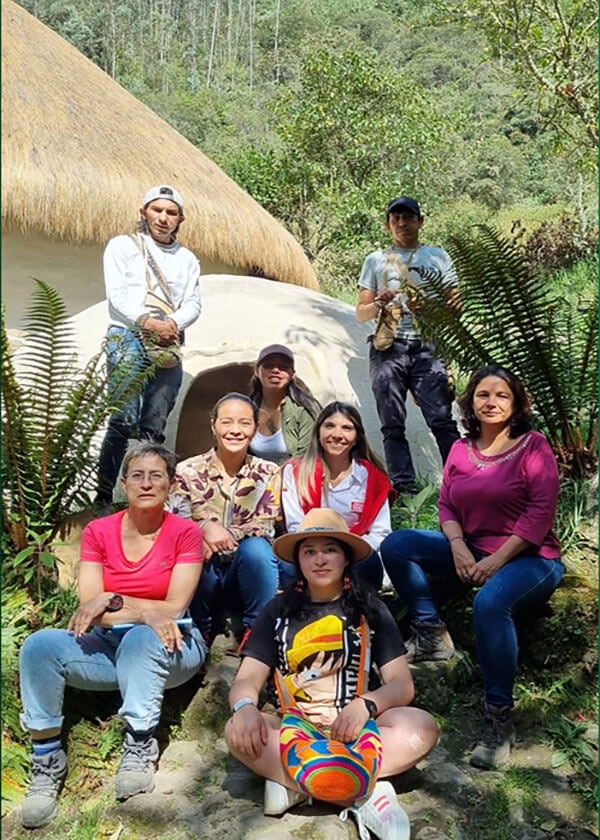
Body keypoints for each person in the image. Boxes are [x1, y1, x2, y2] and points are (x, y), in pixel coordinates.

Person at [380, 365, 563, 769]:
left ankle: (499, 718)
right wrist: (459, 546)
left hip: (531, 558)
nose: (491, 402)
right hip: (473, 548)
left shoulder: (533, 446)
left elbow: (539, 513)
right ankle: (430, 631)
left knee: (490, 603)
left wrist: (496, 560)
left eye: (501, 395)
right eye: (483, 394)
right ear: (470, 402)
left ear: (516, 403)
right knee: (397, 544)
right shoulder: (462, 450)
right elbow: (446, 503)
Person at [18, 443, 206, 829]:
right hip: (106, 648)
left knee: (141, 638)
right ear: (123, 484)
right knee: (39, 646)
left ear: (171, 484)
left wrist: (115, 599)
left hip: (173, 647)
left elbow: (173, 609)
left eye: (156, 475)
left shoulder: (186, 533)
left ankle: (139, 744)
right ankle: (46, 759)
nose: (146, 483)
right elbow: (89, 605)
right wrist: (140, 609)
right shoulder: (99, 531)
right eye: (137, 475)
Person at [225, 508, 439, 840]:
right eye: (309, 552)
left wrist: (366, 705)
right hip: (296, 728)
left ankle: (297, 786)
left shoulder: (369, 609)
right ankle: (366, 793)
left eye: (330, 550)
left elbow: (401, 685)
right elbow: (247, 678)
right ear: (299, 560)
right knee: (236, 730)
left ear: (346, 557)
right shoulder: (277, 611)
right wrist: (245, 708)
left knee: (421, 727)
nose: (320, 560)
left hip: (358, 730)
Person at [95, 184, 201, 512]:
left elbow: (193, 302)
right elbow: (117, 295)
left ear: (180, 219)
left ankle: (149, 497)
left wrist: (172, 324)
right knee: (123, 418)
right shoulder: (122, 247)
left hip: (166, 340)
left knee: (154, 424)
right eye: (157, 210)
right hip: (127, 335)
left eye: (171, 212)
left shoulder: (187, 259)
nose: (163, 218)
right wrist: (146, 321)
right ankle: (104, 497)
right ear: (144, 212)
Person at [356, 195, 460, 496]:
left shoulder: (438, 257)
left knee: (441, 419)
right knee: (392, 422)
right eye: (396, 218)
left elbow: (456, 306)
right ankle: (405, 489)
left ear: (420, 221)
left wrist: (430, 307)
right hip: (388, 348)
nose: (402, 223)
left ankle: (460, 481)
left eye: (408, 217)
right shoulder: (375, 260)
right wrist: (380, 302)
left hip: (428, 347)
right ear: (388, 224)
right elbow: (361, 312)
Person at [168, 392, 284, 650]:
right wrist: (202, 529)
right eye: (227, 422)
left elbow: (265, 524)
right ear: (214, 426)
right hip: (202, 572)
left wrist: (223, 534)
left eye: (244, 423)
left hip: (243, 572)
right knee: (193, 546)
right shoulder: (187, 471)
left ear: (255, 429)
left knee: (257, 549)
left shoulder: (268, 472)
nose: (235, 430)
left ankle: (258, 634)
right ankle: (198, 633)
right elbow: (175, 522)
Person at [282, 401, 394, 590]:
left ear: (357, 437)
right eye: (329, 426)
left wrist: (345, 552)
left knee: (367, 564)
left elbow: (380, 533)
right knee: (286, 567)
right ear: (318, 432)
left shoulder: (374, 478)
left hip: (357, 556)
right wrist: (324, 553)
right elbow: (295, 527)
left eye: (347, 428)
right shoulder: (295, 472)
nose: (337, 434)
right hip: (310, 552)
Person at [248, 343, 321, 464]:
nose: (275, 370)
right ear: (256, 371)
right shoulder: (247, 409)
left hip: (294, 473)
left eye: (283, 367)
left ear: (292, 374)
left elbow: (305, 458)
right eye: (268, 365)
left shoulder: (304, 410)